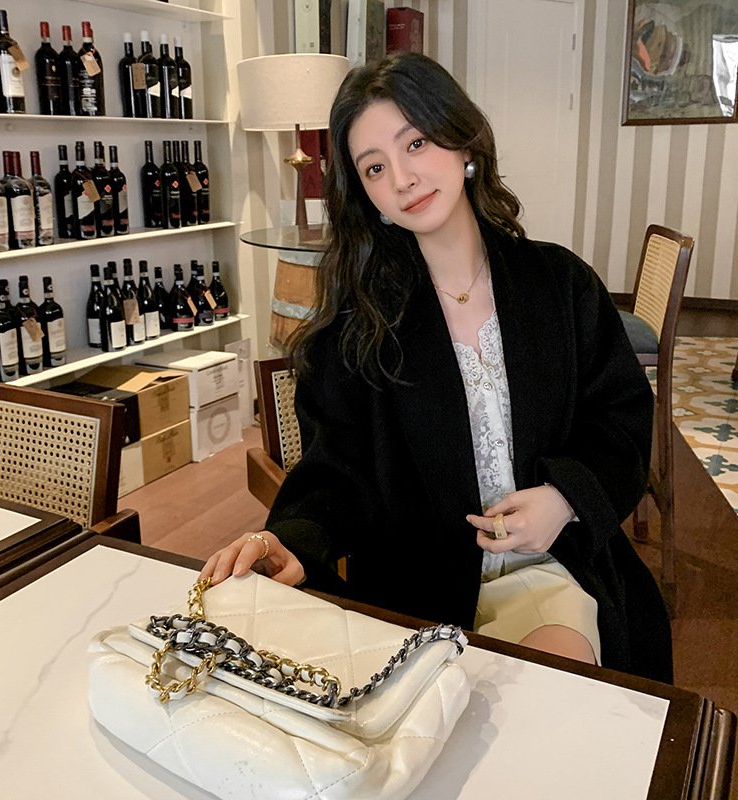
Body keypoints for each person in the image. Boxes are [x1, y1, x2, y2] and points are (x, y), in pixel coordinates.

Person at [202, 53, 672, 682]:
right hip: (415, 591)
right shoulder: (357, 327)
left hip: (550, 564)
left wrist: (563, 499)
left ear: (462, 142)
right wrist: (287, 538)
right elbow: (335, 472)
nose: (402, 178)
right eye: (374, 167)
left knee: (550, 683)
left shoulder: (560, 286)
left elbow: (620, 419)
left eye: (416, 143)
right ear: (366, 195)